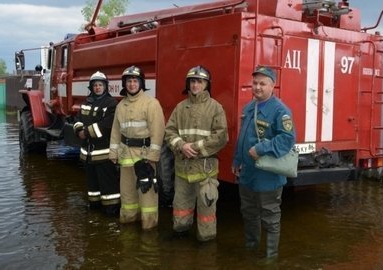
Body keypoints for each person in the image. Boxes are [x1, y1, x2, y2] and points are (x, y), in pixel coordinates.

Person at [232, 66, 296, 259]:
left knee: (270, 217)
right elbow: (242, 137)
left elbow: (287, 139)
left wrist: (261, 149)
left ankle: (270, 258)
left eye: (262, 83)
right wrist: (237, 159)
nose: (257, 87)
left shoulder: (280, 110)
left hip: (268, 175)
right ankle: (251, 250)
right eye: (255, 83)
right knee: (248, 212)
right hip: (247, 173)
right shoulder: (249, 107)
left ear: (272, 85)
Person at [164, 65, 228, 242]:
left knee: (206, 209)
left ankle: (206, 243)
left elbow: (221, 137)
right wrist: (182, 145)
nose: (195, 85)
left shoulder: (215, 108)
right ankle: (181, 234)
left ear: (206, 84)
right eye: (192, 81)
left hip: (205, 171)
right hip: (183, 169)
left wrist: (196, 147)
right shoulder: (180, 107)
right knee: (181, 207)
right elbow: (169, 132)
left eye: (199, 81)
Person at [109, 65, 165, 230]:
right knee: (127, 197)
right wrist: (113, 153)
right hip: (126, 156)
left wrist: (152, 157)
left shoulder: (151, 104)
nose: (132, 84)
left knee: (147, 197)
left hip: (144, 157)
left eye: (135, 81)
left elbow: (158, 131)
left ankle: (149, 230)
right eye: (128, 81)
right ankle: (128, 226)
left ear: (141, 83)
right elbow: (115, 131)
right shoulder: (121, 106)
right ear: (124, 84)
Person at [73, 71, 120, 216]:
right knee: (92, 186)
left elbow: (107, 125)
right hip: (88, 155)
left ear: (106, 87)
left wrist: (86, 132)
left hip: (103, 154)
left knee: (108, 187)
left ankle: (110, 213)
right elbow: (78, 119)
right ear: (91, 87)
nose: (98, 88)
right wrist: (79, 129)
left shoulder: (111, 104)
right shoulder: (87, 102)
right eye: (95, 85)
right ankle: (94, 209)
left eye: (100, 85)